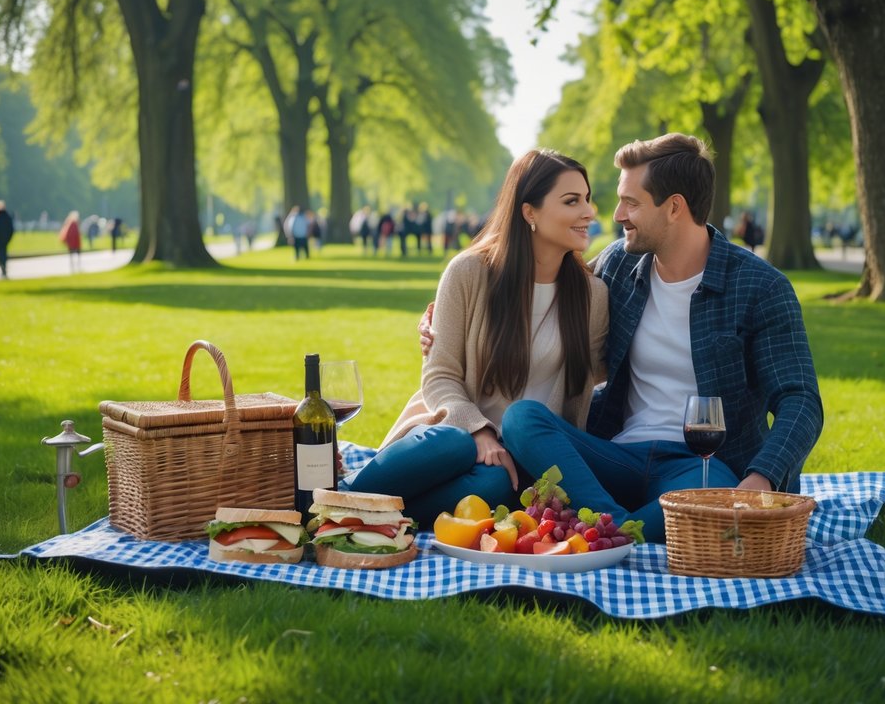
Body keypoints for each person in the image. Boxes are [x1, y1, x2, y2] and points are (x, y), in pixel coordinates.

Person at [499, 133, 823, 544]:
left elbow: (801, 400)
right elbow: (543, 288)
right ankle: (619, 529)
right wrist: (450, 314)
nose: (617, 214)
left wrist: (761, 478)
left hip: (704, 467)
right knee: (521, 419)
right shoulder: (619, 263)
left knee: (711, 492)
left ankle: (602, 530)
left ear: (674, 207)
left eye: (631, 203)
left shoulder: (760, 287)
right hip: (616, 454)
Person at [343, 150, 608, 527]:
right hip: (451, 433)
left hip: (517, 463)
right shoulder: (469, 272)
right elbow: (440, 375)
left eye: (587, 199)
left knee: (494, 485)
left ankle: (357, 513)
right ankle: (341, 498)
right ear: (529, 212)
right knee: (453, 443)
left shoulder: (592, 295)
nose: (589, 212)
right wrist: (480, 430)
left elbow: (594, 383)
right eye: (571, 201)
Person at [0, 200, 15, 279]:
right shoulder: (7, 216)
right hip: (4, 239)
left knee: (0, 254)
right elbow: (11, 229)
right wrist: (8, 238)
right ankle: (3, 266)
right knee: (3, 253)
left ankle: (2, 266)